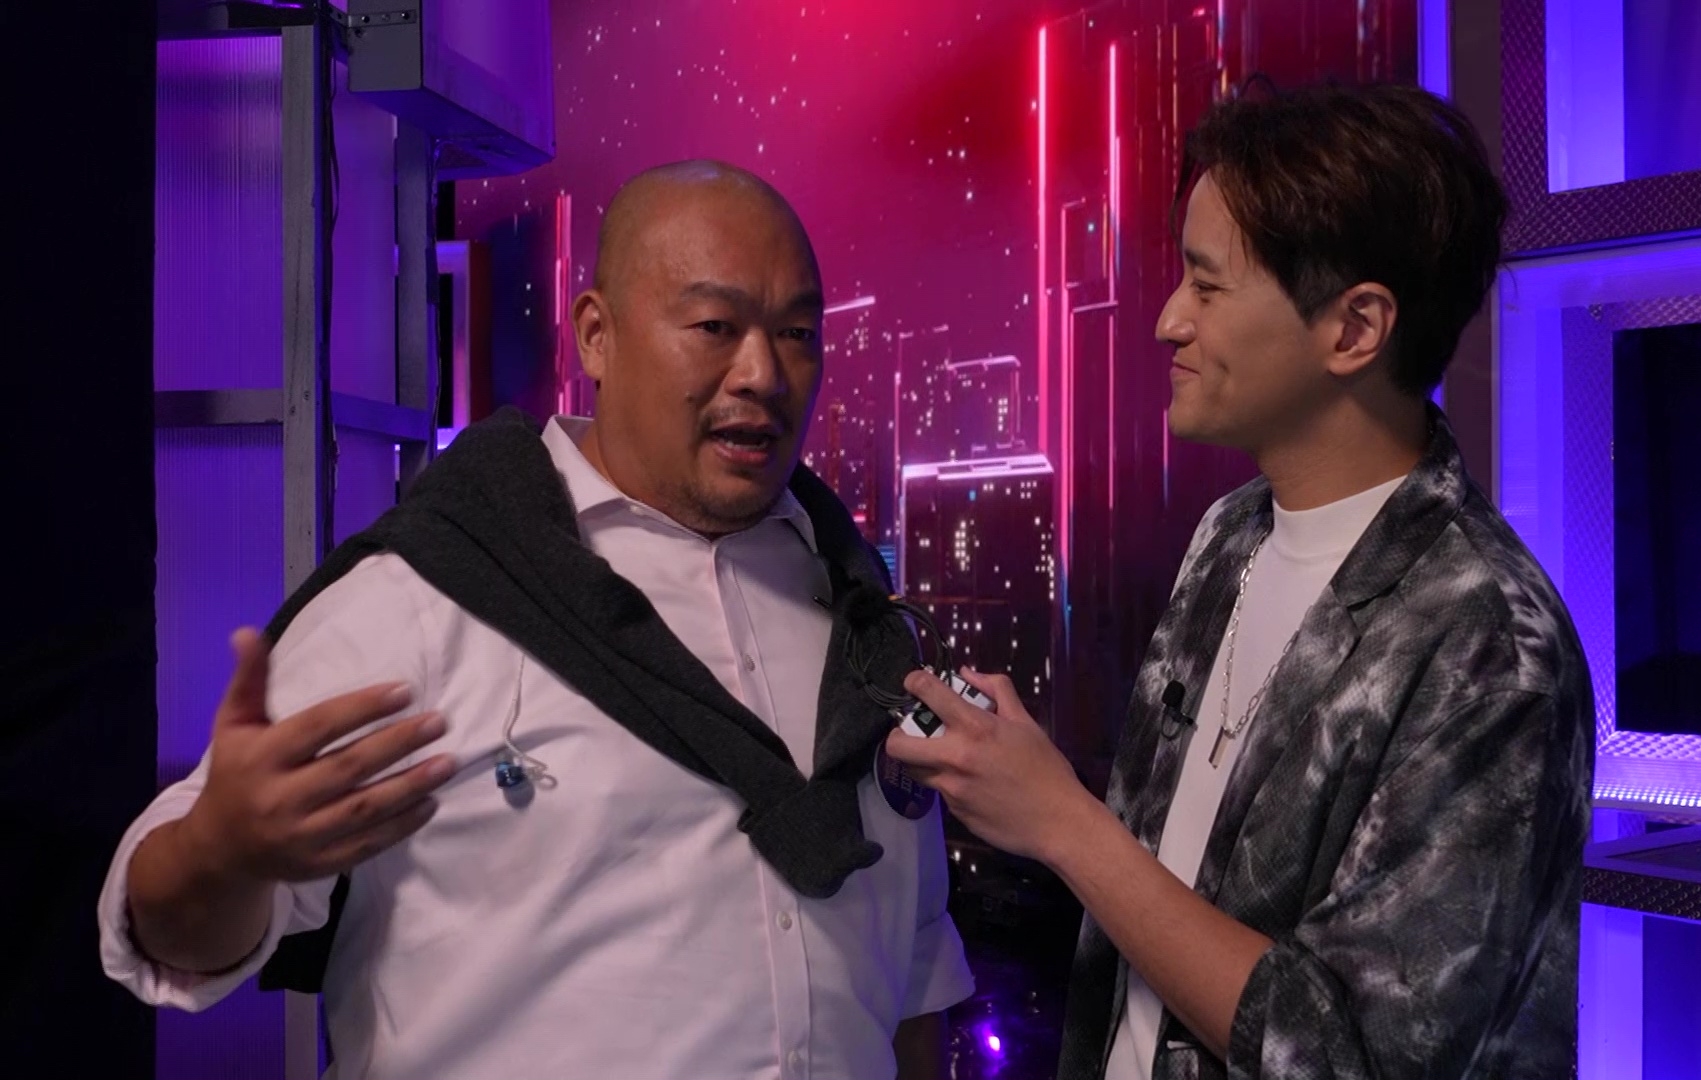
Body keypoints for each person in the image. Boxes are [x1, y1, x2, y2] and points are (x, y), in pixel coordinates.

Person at [99, 161, 972, 1079]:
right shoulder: (431, 594)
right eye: (715, 327)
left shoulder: (865, 622)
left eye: (796, 333)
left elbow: (910, 975)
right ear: (596, 335)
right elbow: (167, 932)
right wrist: (222, 854)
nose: (763, 373)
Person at [888, 84, 1594, 1080]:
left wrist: (1062, 821)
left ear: (1355, 329)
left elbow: (1355, 1057)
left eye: (1209, 287)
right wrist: (1015, 780)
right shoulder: (1230, 534)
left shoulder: (1489, 645)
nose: (1169, 320)